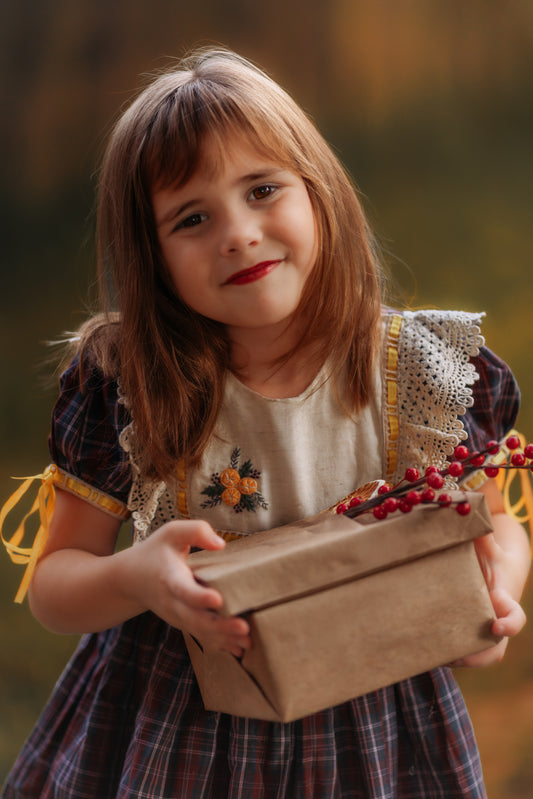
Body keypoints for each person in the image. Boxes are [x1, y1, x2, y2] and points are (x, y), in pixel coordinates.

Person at [1, 47, 530, 799]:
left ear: (318, 191)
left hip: (379, 718)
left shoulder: (419, 371)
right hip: (185, 723)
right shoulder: (132, 385)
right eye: (191, 218)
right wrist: (138, 577)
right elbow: (56, 585)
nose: (238, 233)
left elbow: (496, 521)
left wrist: (495, 587)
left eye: (262, 189)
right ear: (151, 257)